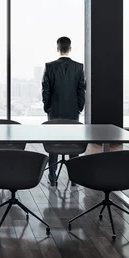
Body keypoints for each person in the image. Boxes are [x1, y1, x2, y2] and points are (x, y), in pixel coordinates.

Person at [41, 36, 86, 186]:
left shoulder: (49, 66)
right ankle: (74, 177)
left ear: (57, 48)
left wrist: (47, 107)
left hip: (54, 110)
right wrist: (79, 107)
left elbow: (45, 90)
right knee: (74, 142)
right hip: (73, 110)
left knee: (53, 143)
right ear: (70, 48)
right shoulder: (79, 67)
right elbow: (81, 90)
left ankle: (52, 177)